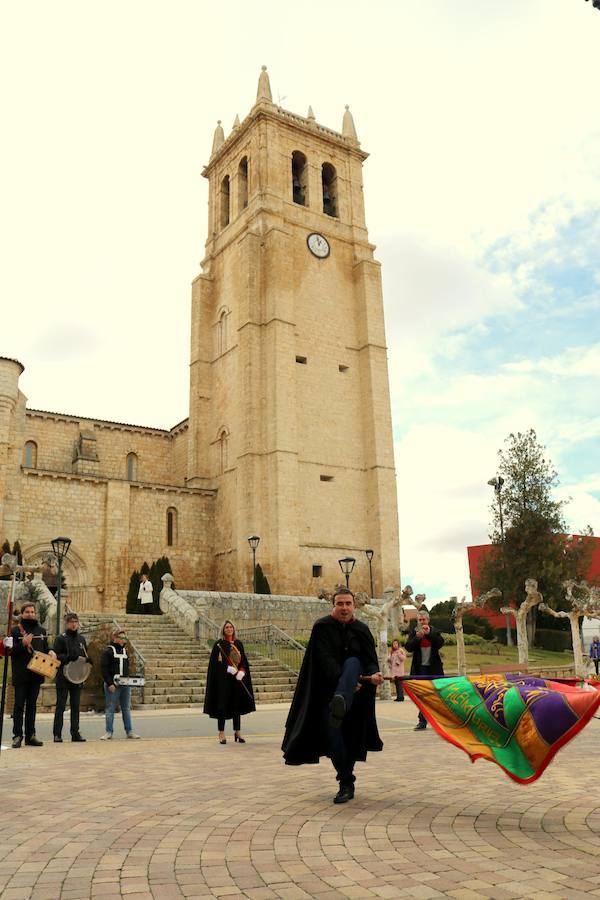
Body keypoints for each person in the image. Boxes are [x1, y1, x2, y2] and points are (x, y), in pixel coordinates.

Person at [282, 588, 384, 804]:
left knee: (354, 663)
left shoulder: (362, 629)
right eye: (340, 603)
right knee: (335, 740)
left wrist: (374, 673)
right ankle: (346, 781)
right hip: (328, 696)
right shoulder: (322, 627)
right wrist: (346, 682)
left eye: (348, 603)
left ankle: (346, 780)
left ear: (354, 605)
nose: (344, 607)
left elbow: (370, 659)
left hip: (356, 698)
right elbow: (323, 659)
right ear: (333, 605)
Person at [203, 621, 255, 743]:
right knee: (222, 705)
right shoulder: (218, 645)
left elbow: (243, 661)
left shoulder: (238, 644)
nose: (229, 629)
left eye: (231, 627)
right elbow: (214, 665)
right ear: (223, 629)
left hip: (236, 680)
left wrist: (241, 671)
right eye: (227, 627)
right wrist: (227, 668)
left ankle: (237, 731)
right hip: (223, 681)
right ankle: (221, 733)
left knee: (236, 705)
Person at [10, 601, 51, 748]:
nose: (30, 614)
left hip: (36, 674)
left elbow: (46, 648)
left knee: (32, 706)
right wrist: (22, 644)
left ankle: (31, 735)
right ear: (22, 614)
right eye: (27, 612)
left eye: (32, 612)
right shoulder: (15, 631)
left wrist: (51, 651)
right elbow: (10, 651)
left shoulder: (42, 630)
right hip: (21, 674)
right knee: (19, 706)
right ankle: (17, 735)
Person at [405, 609, 444, 731]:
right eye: (420, 620)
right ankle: (422, 721)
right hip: (420, 669)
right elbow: (408, 648)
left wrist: (429, 634)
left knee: (435, 695)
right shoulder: (414, 632)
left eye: (424, 620)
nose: (422, 622)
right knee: (421, 695)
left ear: (428, 620)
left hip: (434, 669)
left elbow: (439, 644)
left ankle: (439, 722)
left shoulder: (435, 631)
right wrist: (417, 638)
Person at [52, 612, 88, 743]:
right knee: (60, 706)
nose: (74, 624)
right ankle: (57, 734)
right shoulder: (60, 638)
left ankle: (75, 733)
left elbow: (84, 655)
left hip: (77, 677)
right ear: (66, 623)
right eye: (71, 622)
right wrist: (67, 657)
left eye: (76, 622)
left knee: (75, 706)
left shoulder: (81, 639)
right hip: (63, 676)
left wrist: (88, 661)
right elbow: (55, 656)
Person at [100, 628, 141, 740]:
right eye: (122, 638)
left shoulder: (124, 651)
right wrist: (109, 683)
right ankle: (109, 732)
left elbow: (126, 667)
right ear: (115, 638)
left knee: (126, 708)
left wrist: (129, 681)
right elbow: (104, 669)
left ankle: (129, 731)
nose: (124, 640)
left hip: (125, 685)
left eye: (124, 638)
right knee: (110, 708)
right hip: (113, 685)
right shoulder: (108, 651)